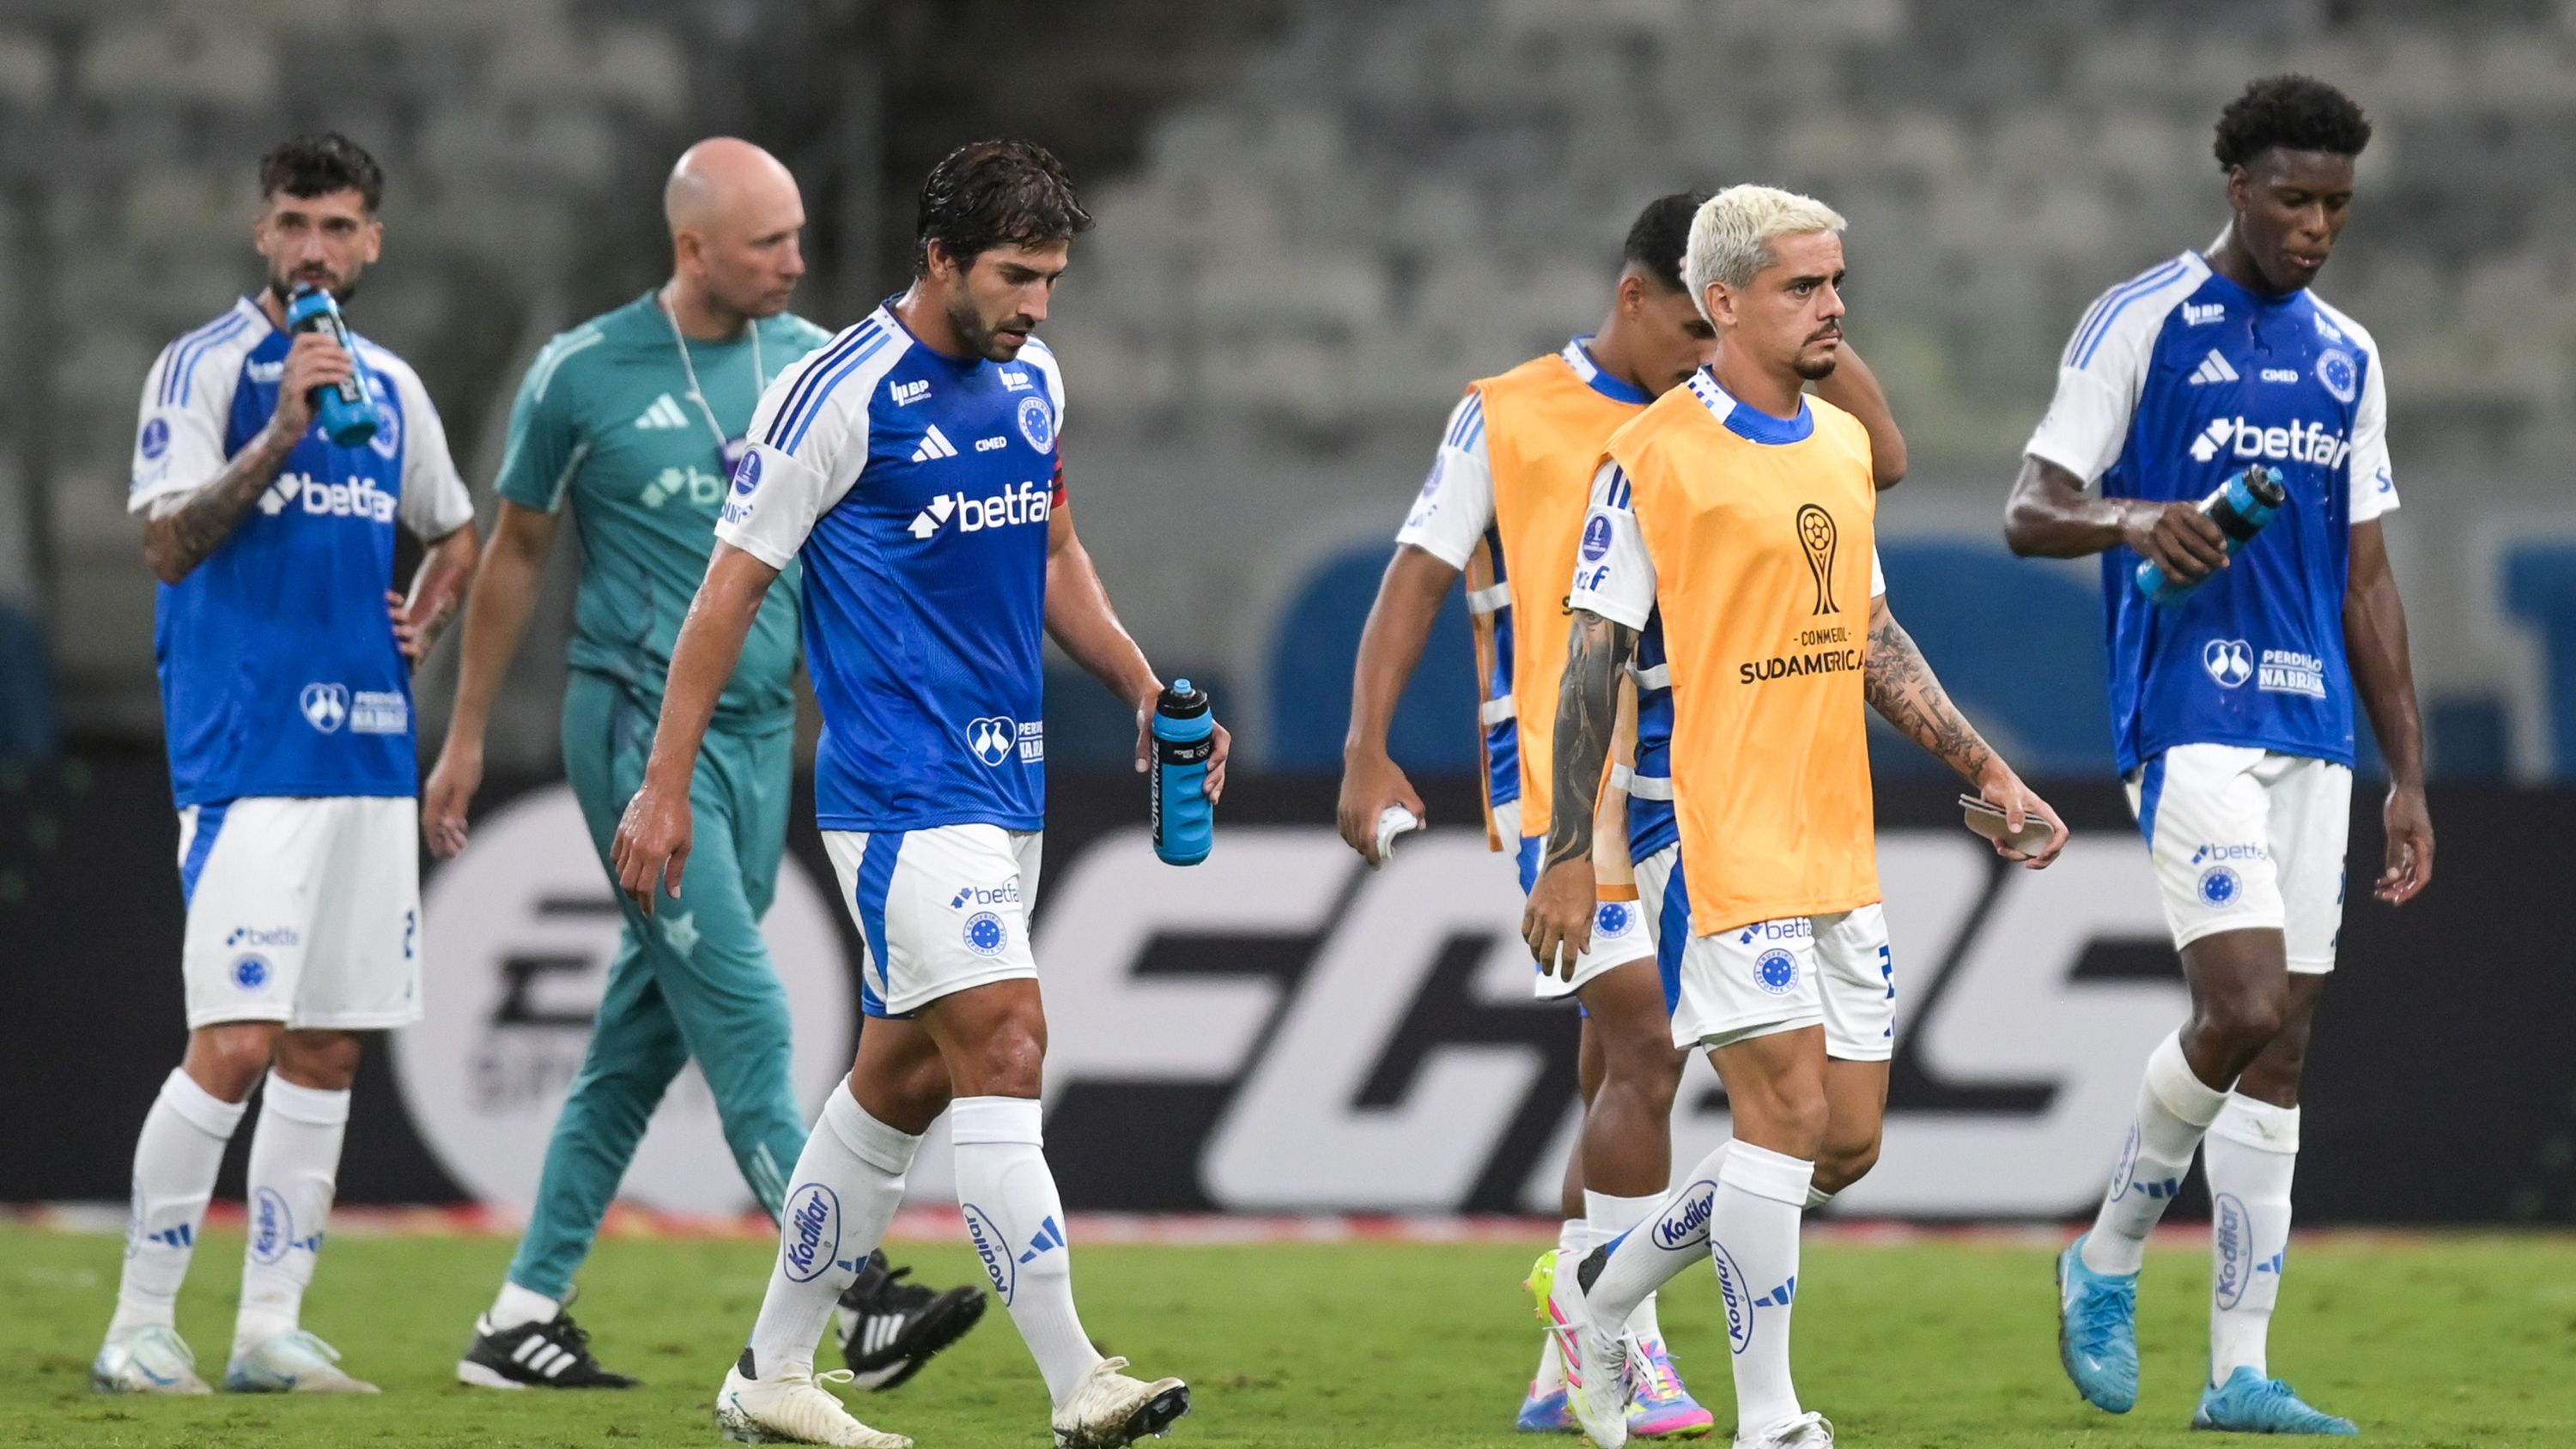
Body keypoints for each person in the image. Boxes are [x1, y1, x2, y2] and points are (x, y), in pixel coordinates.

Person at [612, 138, 1221, 1449]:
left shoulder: (1033, 377)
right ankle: (1079, 1381)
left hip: (1009, 791)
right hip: (898, 792)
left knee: (897, 1083)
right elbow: (730, 594)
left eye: (1053, 279)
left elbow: (1051, 547)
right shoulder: (837, 393)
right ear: (938, 257)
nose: (1037, 306)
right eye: (1015, 276)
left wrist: (1137, 685)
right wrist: (665, 787)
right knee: (1006, 1041)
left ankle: (772, 1373)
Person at [1335, 194, 1907, 1438]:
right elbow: (1418, 576)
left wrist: (1801, 299)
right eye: (1700, 325)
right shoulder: (1511, 413)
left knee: (1637, 1068)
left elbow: (1885, 458)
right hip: (1573, 786)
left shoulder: (1740, 409)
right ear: (1650, 298)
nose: (1709, 355)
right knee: (1646, 1047)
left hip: (1709, 781)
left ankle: (1580, 1324)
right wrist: (1366, 749)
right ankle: (1630, 1342)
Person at [422, 139, 986, 1391]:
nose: (797, 260)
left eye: (796, 236)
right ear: (692, 248)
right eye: (769, 243)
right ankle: (858, 1295)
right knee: (747, 1009)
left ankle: (521, 1317)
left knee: (640, 1037)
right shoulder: (582, 373)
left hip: (761, 741)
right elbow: (515, 555)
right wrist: (462, 737)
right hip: (634, 736)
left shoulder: (819, 366)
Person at [1525, 185, 2068, 1449]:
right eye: (1805, 288)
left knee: (1844, 1144)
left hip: (1835, 830)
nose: (1835, 307)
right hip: (1709, 831)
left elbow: (1867, 635)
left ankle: (1600, 1298)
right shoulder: (1650, 459)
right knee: (1776, 1118)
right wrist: (1565, 853)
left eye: (1837, 284)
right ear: (1722, 305)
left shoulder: (1833, 444)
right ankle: (1770, 1418)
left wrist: (1988, 771)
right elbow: (1593, 663)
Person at [2002, 75, 2425, 1437]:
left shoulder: (2348, 355)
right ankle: (2106, 1256)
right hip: (2188, 712)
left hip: (2314, 728)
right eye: (2295, 200)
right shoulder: (2144, 320)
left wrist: (2406, 771)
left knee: (2283, 1050)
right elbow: (2032, 509)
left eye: (2338, 207)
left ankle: (2238, 1370)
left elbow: (2366, 580)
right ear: (2237, 186)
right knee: (2240, 1007)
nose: (2317, 228)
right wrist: (2137, 522)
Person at [96, 132, 480, 1396]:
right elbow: (165, 545)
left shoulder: (398, 389)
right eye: (294, 223)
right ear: (264, 234)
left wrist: (421, 617)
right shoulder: (204, 369)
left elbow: (459, 529)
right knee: (240, 1042)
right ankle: (139, 1327)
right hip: (247, 757)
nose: (314, 248)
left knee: (327, 1051)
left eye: (338, 226)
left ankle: (268, 1329)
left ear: (372, 242)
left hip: (368, 758)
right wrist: (279, 434)